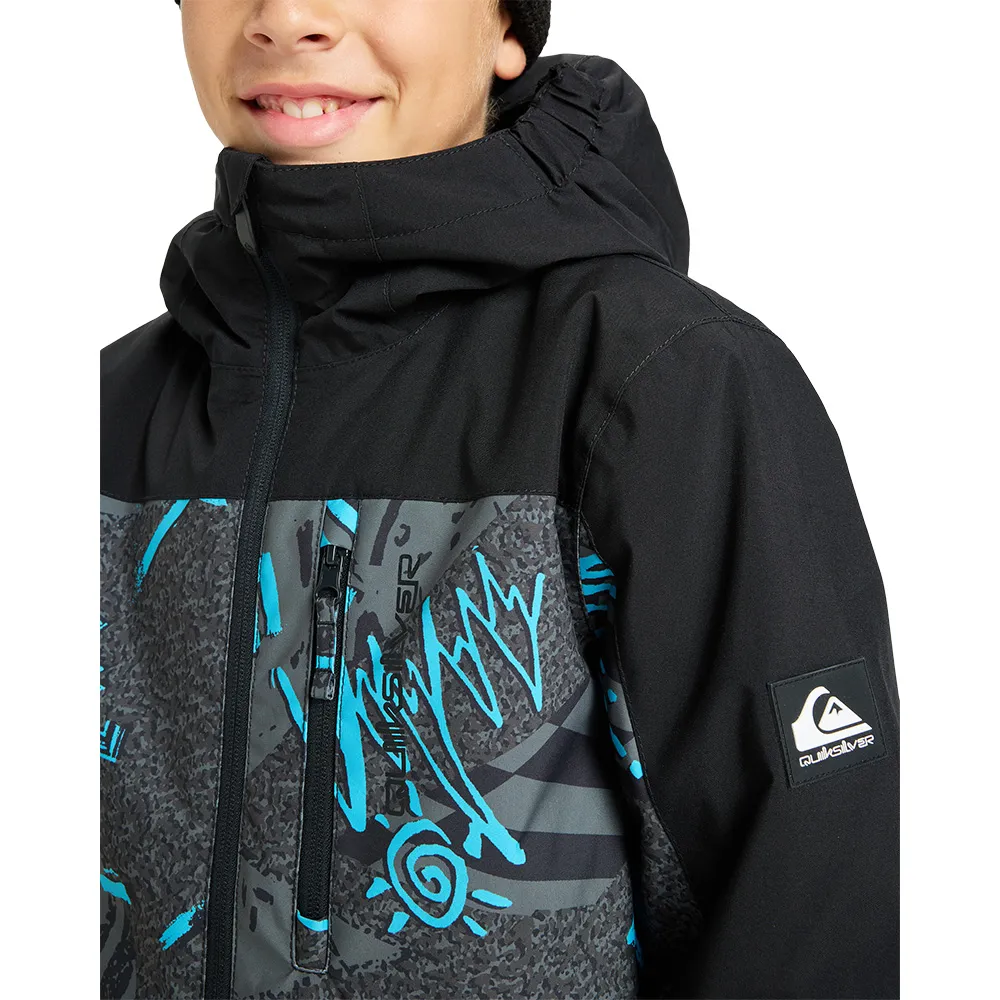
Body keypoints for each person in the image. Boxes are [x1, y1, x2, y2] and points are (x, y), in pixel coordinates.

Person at [99, 2, 900, 998]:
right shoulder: (102, 408)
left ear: (507, 28)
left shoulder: (662, 385)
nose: (288, 17)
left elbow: (809, 910)